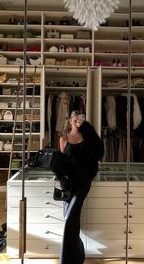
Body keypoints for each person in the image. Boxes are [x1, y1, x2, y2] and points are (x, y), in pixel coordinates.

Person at [51, 110, 104, 264]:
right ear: (70, 121)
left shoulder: (88, 138)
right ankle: (78, 253)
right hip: (68, 184)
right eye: (75, 118)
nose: (77, 121)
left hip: (84, 182)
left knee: (69, 218)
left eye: (81, 119)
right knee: (70, 219)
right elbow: (62, 161)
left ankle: (67, 260)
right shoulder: (64, 139)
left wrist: (88, 130)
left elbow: (100, 153)